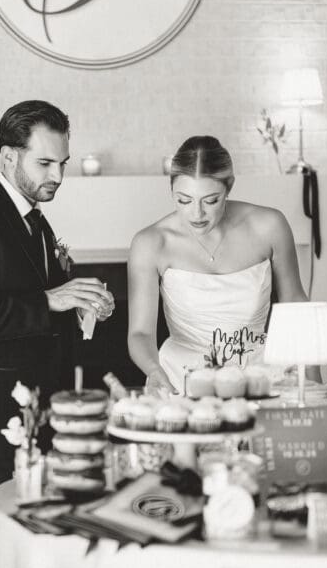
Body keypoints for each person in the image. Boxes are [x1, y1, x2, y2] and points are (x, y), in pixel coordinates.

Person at [0, 99, 114, 529]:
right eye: (45, 163)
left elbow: (41, 300)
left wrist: (82, 308)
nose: (58, 176)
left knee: (37, 533)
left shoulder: (36, 220)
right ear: (8, 157)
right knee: (3, 536)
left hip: (39, 411)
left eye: (63, 163)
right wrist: (50, 300)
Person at [127, 135, 309, 395]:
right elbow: (140, 333)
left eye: (210, 200)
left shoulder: (269, 226)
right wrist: (154, 371)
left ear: (229, 186)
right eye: (184, 200)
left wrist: (314, 382)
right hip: (180, 379)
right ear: (171, 189)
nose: (196, 213)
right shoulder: (150, 242)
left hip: (259, 376)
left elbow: (295, 305)